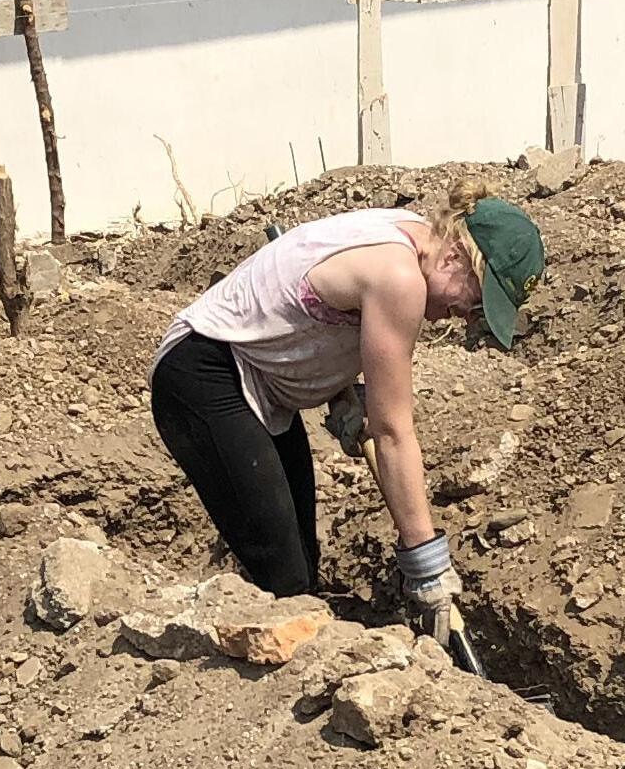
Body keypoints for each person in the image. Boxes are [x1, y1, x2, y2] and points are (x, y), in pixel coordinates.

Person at [150, 196, 545, 633]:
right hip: (205, 373)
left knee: (301, 566)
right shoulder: (399, 277)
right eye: (476, 302)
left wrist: (338, 389)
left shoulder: (411, 235)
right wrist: (427, 566)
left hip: (255, 379)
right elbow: (392, 432)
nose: (466, 318)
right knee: (285, 578)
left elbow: (308, 315)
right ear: (455, 256)